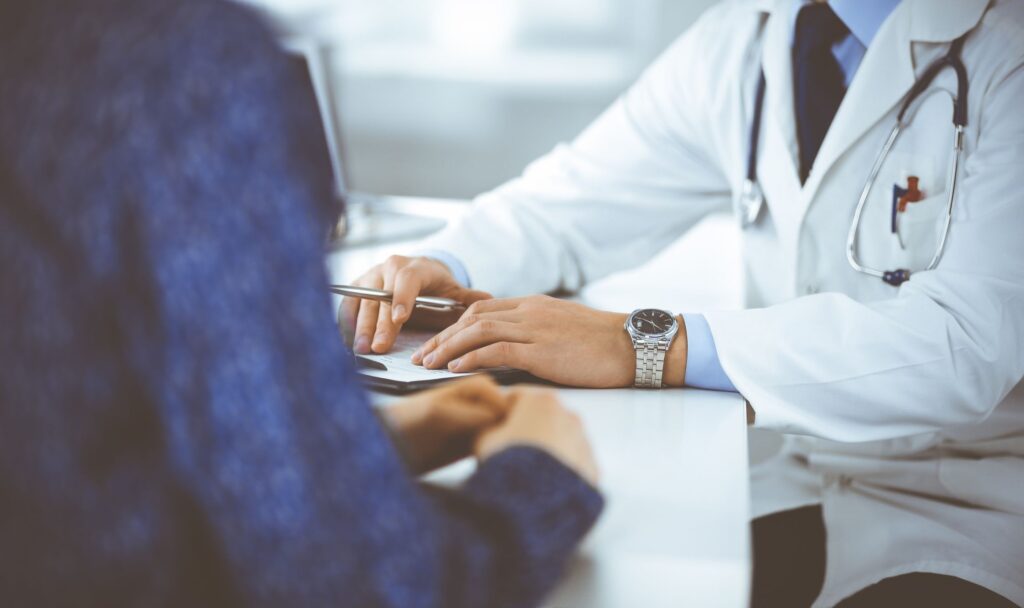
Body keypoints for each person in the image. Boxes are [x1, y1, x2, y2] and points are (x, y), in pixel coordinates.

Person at [347, 0, 1024, 605]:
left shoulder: (1007, 48)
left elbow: (966, 344)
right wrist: (445, 262)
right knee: (608, 580)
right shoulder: (748, 34)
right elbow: (572, 199)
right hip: (804, 471)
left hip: (970, 500)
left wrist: (644, 344)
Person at [0, 1, 604, 606]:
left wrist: (340, 445)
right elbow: (362, 586)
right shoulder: (176, 67)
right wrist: (539, 483)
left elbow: (59, 461)